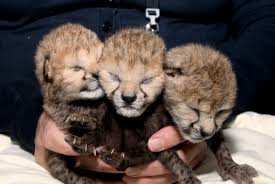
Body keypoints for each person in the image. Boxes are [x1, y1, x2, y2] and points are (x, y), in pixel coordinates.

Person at [0, 0, 275, 183]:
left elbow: (266, 18)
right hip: (26, 134)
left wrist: (210, 100)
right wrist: (26, 112)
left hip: (212, 119)